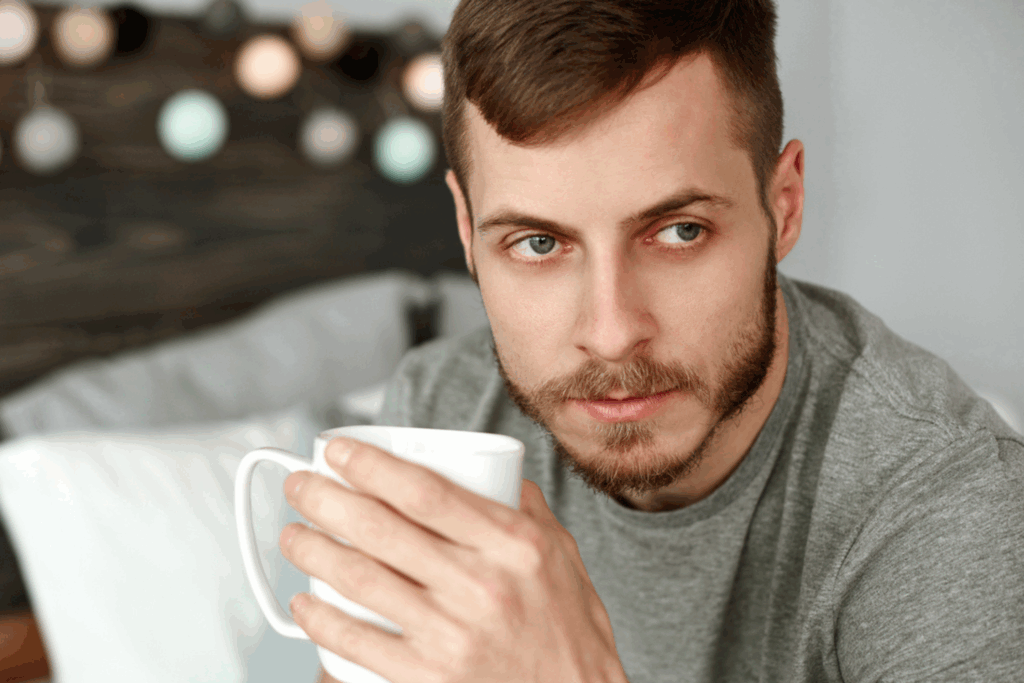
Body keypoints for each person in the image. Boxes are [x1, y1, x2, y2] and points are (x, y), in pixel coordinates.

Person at [289, 1, 1024, 681]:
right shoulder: (442, 416)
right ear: (466, 234)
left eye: (679, 232)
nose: (611, 335)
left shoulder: (951, 509)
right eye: (539, 243)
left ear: (785, 206)